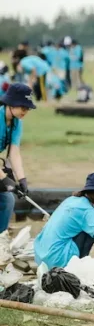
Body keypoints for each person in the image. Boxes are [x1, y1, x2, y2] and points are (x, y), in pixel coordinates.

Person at [0, 84, 33, 234]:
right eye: (23, 107)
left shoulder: (16, 123)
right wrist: (6, 180)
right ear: (11, 104)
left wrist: (22, 180)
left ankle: (1, 238)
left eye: (28, 109)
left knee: (7, 199)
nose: (26, 112)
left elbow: (14, 152)